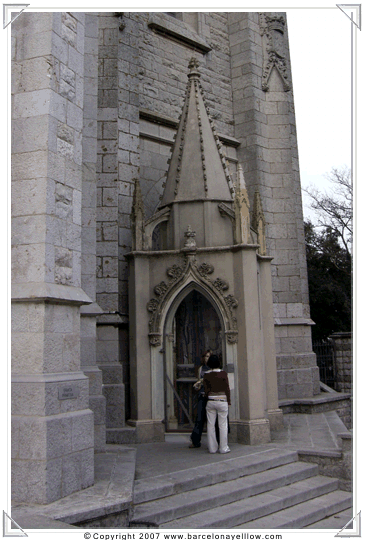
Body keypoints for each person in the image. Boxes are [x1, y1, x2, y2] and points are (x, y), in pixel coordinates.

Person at [203, 355, 231, 454]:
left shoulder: (206, 375)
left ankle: (212, 448)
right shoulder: (223, 374)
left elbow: (206, 390)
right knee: (223, 425)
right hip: (222, 400)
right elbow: (227, 388)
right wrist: (229, 401)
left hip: (210, 401)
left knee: (210, 426)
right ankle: (223, 448)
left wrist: (207, 398)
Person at [189, 350, 211, 448]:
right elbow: (199, 381)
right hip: (202, 396)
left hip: (211, 397)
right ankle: (195, 441)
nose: (207, 358)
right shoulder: (201, 368)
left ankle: (216, 442)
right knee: (199, 419)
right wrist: (197, 386)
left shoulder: (214, 369)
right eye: (206, 356)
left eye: (209, 356)